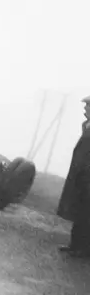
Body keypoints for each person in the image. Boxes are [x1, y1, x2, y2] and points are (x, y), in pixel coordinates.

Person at [57, 95, 90, 258]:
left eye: (88, 106)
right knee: (79, 211)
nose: (85, 108)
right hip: (80, 176)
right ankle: (74, 245)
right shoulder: (87, 125)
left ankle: (83, 249)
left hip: (87, 177)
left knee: (86, 214)